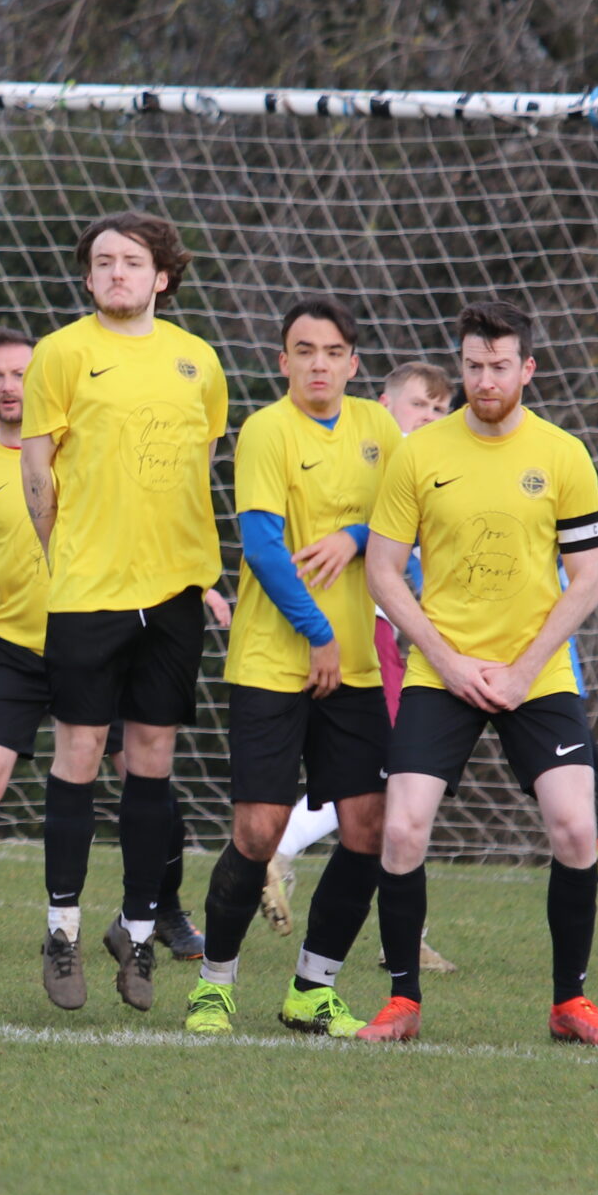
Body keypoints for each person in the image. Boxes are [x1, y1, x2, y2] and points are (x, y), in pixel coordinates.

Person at [359, 300, 598, 1049]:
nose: (485, 379)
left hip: (534, 678)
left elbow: (587, 580)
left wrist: (522, 670)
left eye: (499, 366)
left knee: (578, 828)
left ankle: (569, 1003)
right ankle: (402, 1001)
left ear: (527, 369)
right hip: (440, 671)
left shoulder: (565, 454)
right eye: (473, 365)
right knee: (403, 828)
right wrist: (444, 661)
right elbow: (383, 573)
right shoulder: (419, 454)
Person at [0, 332, 202, 960]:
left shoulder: (87, 449)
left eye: (21, 373)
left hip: (104, 642)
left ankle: (165, 915)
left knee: (145, 777)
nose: (10, 386)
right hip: (15, 649)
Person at [20, 210, 231, 1011]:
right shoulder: (63, 354)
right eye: (103, 261)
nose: (116, 272)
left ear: (161, 276)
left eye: (131, 262)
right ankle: (63, 931)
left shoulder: (198, 362)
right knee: (77, 757)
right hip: (85, 592)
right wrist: (65, 557)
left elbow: (198, 472)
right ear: (88, 277)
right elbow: (37, 476)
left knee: (152, 765)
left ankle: (139, 936)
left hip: (174, 594)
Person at [182, 300, 400, 1038]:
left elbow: (411, 519)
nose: (317, 363)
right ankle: (215, 984)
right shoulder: (266, 430)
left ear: (353, 362)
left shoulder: (380, 428)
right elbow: (264, 548)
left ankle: (313, 987)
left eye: (332, 351)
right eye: (302, 350)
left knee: (368, 827)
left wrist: (355, 533)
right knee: (258, 831)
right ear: (282, 361)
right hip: (275, 660)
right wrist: (317, 633)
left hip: (359, 667)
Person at [261, 357, 457, 974]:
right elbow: (383, 534)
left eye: (439, 409)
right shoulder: (382, 456)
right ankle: (398, 931)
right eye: (418, 404)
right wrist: (359, 537)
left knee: (387, 786)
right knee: (393, 781)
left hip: (393, 635)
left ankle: (280, 856)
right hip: (365, 636)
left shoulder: (435, 463)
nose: (429, 417)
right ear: (383, 404)